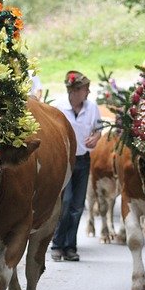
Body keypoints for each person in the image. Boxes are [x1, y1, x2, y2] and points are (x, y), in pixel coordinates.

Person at [51, 71, 102, 261]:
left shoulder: (92, 107)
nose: (88, 93)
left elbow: (98, 130)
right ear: (74, 91)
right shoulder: (58, 107)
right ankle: (57, 244)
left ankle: (70, 247)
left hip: (83, 160)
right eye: (85, 89)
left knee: (78, 206)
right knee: (65, 203)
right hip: (64, 161)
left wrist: (95, 138)